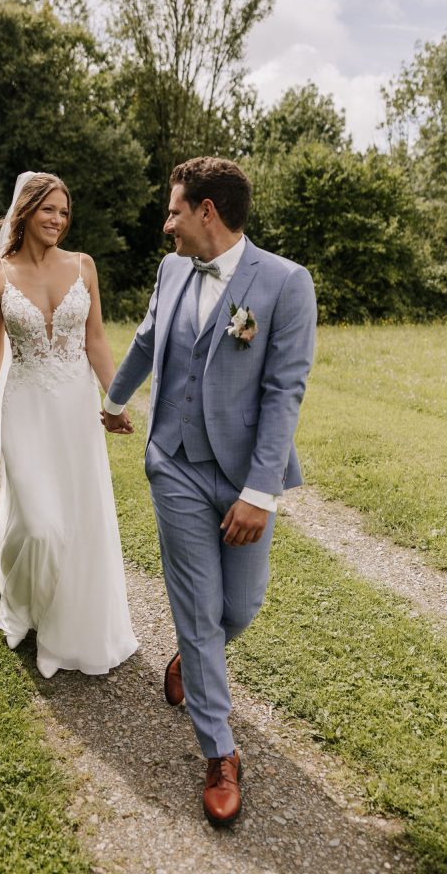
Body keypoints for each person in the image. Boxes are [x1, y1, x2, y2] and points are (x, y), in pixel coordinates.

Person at [102, 156, 316, 826]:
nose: (165, 225)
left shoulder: (284, 283)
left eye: (172, 211)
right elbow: (144, 341)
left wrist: (259, 491)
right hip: (173, 464)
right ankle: (220, 751)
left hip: (243, 474)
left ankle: (192, 661)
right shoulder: (170, 271)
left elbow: (285, 391)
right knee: (198, 607)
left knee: (240, 607)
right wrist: (113, 399)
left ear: (206, 212)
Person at [0, 170, 138, 678]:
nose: (58, 221)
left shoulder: (83, 266)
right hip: (24, 409)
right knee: (41, 525)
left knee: (77, 520)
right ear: (26, 211)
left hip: (74, 412)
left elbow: (98, 342)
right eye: (49, 210)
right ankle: (24, 596)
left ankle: (68, 618)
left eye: (64, 213)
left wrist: (115, 397)